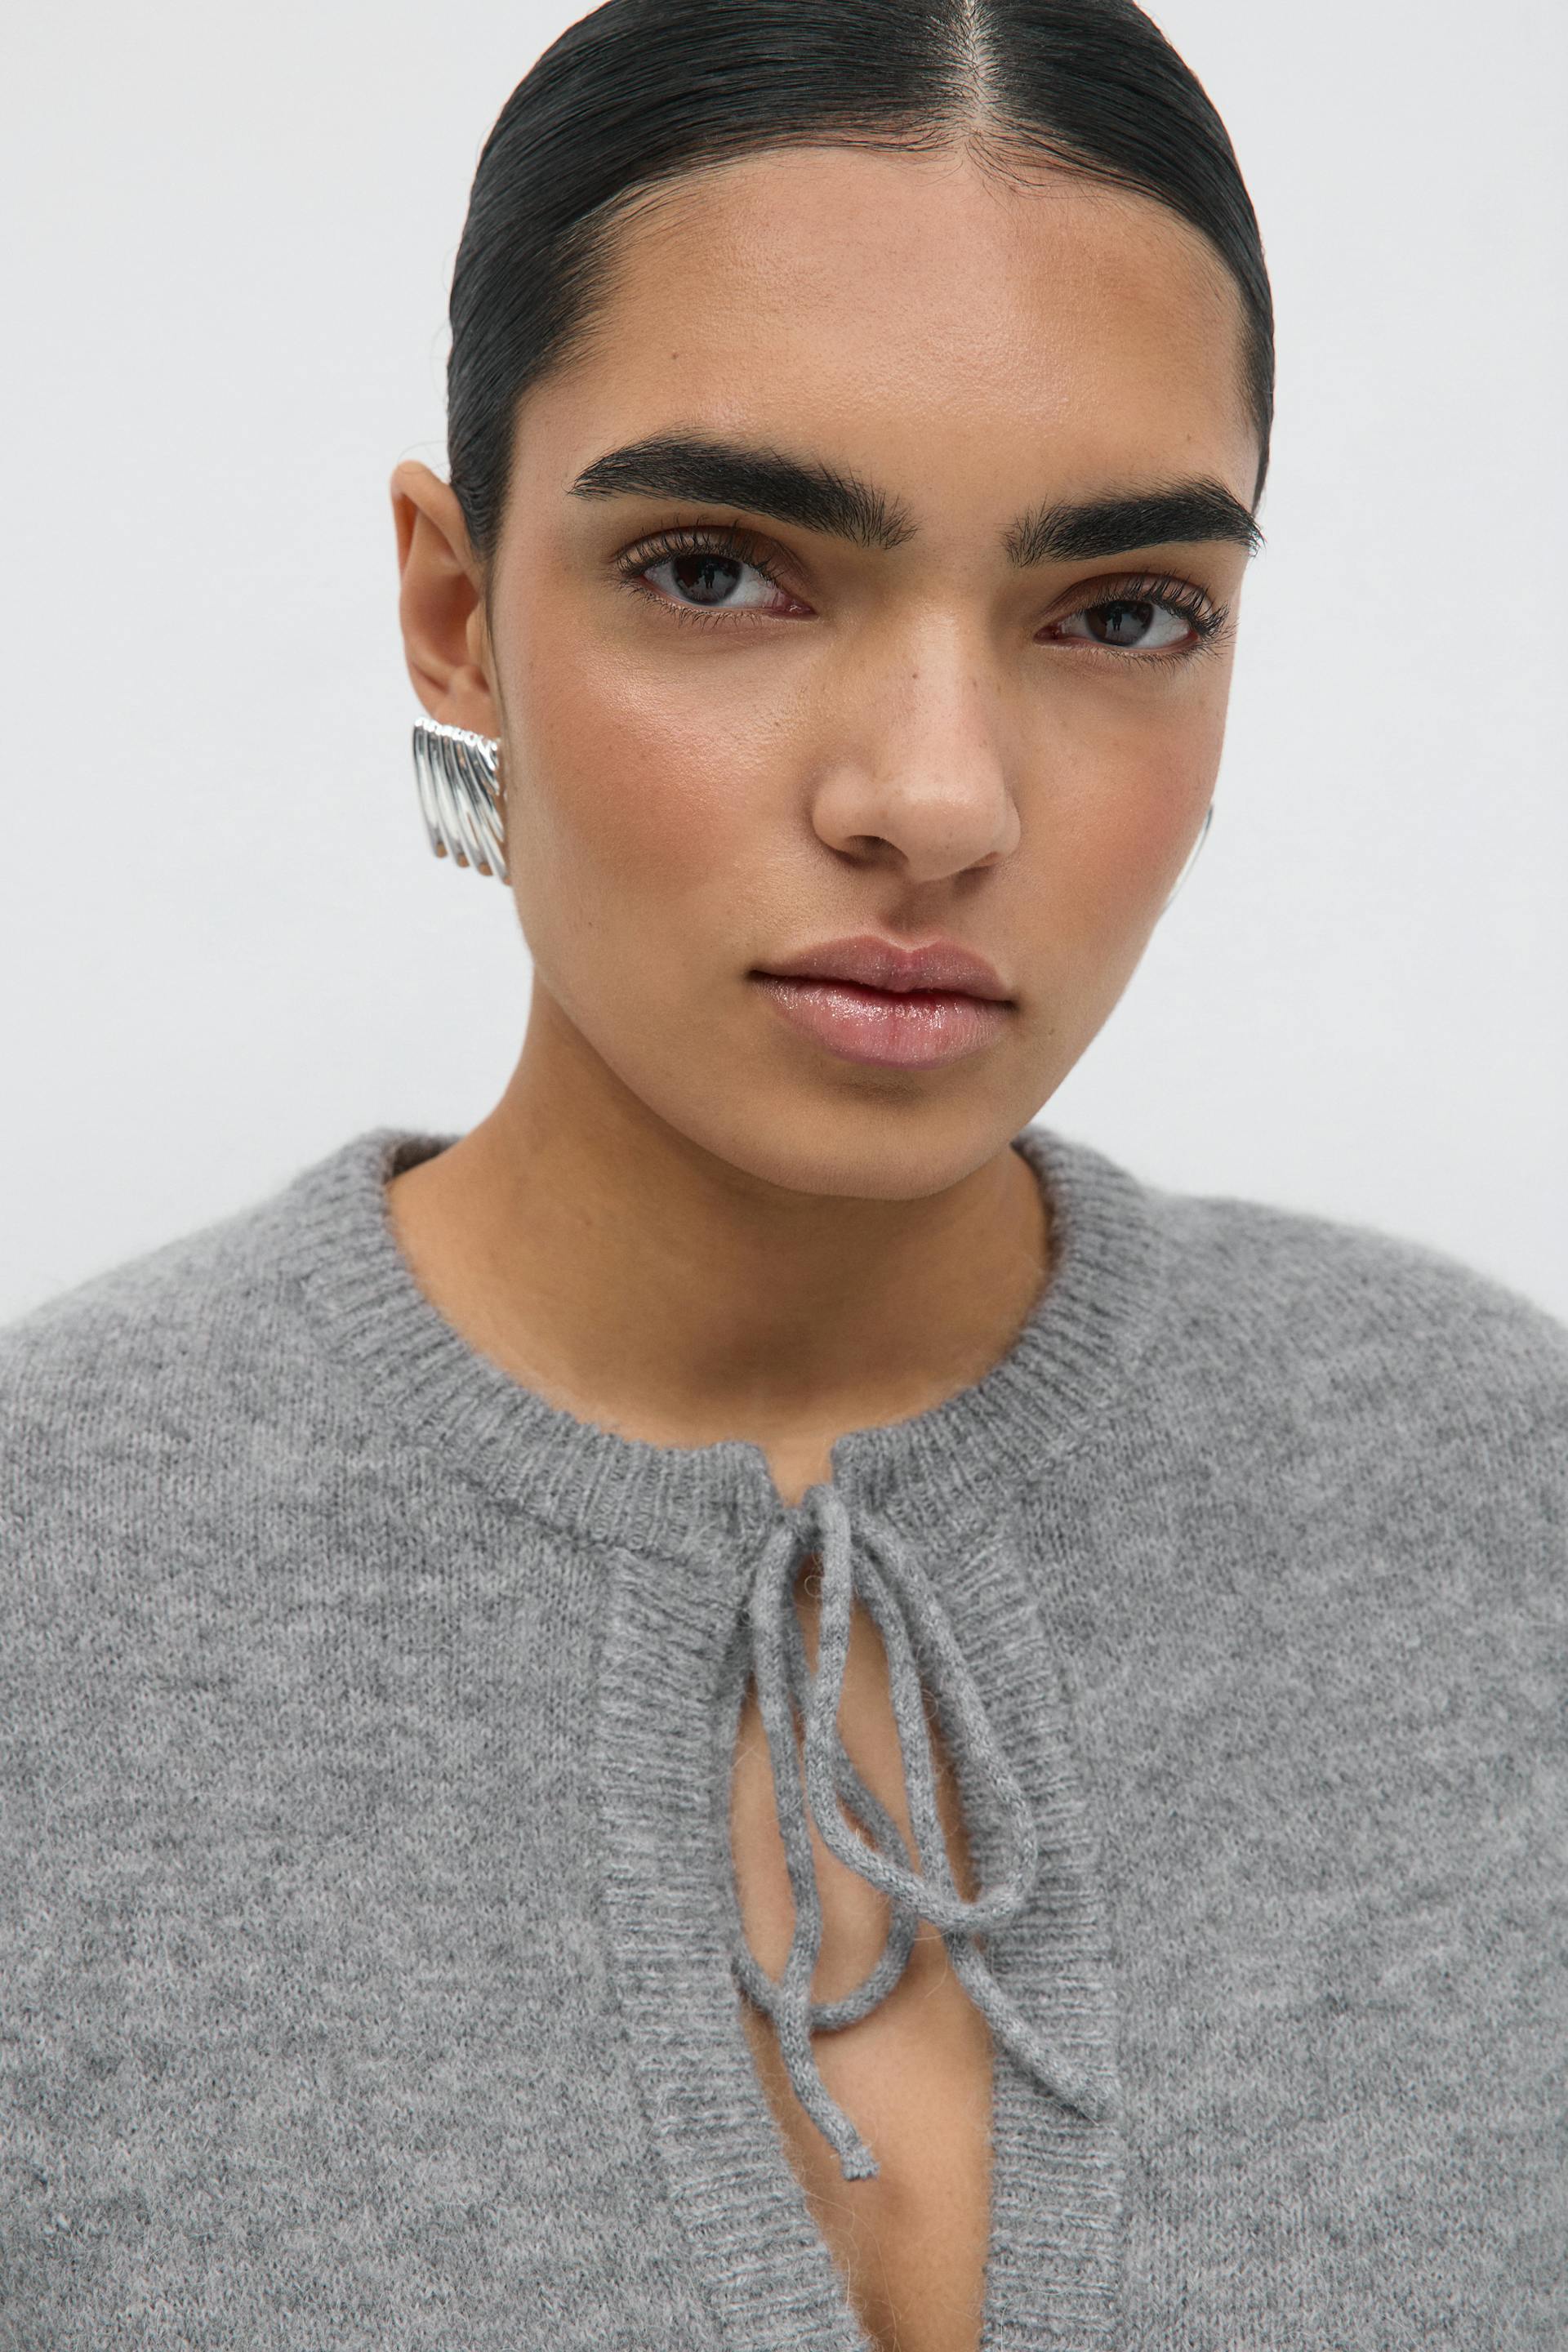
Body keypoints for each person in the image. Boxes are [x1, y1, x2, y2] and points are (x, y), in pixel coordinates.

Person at [2, 2, 1562, 2346]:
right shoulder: (50, 1585)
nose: (936, 797)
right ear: (456, 613)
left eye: (1123, 610)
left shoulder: (1501, 1498)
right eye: (722, 571)